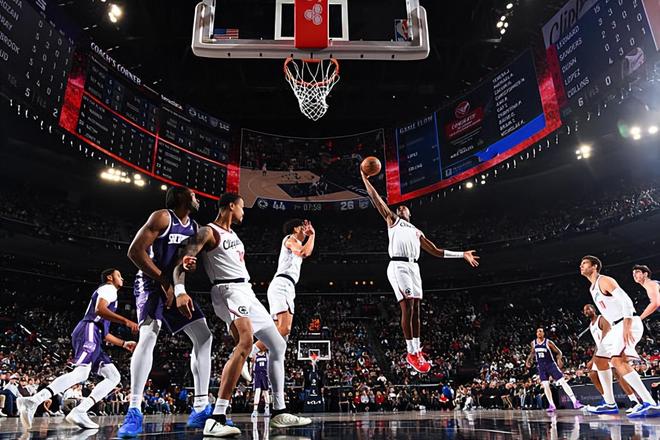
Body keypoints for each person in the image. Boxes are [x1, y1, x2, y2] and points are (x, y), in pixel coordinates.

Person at [172, 193, 311, 437]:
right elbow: (183, 257)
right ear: (231, 206)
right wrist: (180, 289)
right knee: (246, 342)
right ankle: (217, 417)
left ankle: (279, 412)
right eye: (242, 207)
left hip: (246, 290)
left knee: (278, 345)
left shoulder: (234, 235)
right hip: (227, 290)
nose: (244, 212)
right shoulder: (208, 231)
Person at [361, 170, 479, 373]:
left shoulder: (417, 232)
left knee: (416, 308)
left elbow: (436, 251)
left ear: (409, 214)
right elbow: (377, 200)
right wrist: (365, 179)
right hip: (398, 265)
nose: (401, 207)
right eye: (399, 207)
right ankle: (410, 352)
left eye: (404, 207)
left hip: (413, 267)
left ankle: (417, 350)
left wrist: (462, 254)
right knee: (407, 306)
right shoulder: (393, 220)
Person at [119, 187, 214, 438]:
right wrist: (164, 281)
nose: (198, 198)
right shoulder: (162, 217)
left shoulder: (195, 228)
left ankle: (200, 407)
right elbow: (135, 252)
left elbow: (183, 263)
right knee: (149, 335)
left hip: (173, 285)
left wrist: (187, 268)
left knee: (204, 336)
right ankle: (134, 410)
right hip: (150, 282)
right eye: (193, 195)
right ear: (182, 198)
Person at [17, 269, 137, 430]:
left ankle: (80, 411)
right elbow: (99, 309)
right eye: (118, 275)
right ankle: (33, 401)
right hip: (89, 330)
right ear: (110, 277)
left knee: (113, 376)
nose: (122, 278)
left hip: (95, 333)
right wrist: (126, 321)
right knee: (81, 373)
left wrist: (123, 343)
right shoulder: (108, 288)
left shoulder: (109, 294)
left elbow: (105, 334)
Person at [580, 255, 660, 417]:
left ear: (594, 266)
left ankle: (650, 403)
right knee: (599, 360)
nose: (581, 266)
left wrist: (627, 324)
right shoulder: (592, 288)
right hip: (616, 326)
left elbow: (626, 301)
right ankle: (610, 403)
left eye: (584, 263)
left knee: (618, 360)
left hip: (626, 321)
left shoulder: (604, 280)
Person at [249, 219, 315, 357]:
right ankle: (250, 352)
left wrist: (310, 236)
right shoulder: (290, 240)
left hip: (286, 286)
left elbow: (306, 251)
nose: (305, 230)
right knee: (285, 329)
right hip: (282, 285)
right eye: (303, 227)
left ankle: (259, 357)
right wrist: (312, 235)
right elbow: (305, 253)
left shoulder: (298, 244)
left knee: (280, 337)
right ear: (296, 229)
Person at [582, 304, 641, 413]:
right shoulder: (591, 325)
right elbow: (597, 343)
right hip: (602, 352)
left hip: (610, 349)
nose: (586, 311)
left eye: (588, 309)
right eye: (584, 310)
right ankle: (608, 400)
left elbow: (606, 337)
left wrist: (595, 357)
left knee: (619, 375)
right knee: (593, 374)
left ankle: (634, 401)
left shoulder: (602, 318)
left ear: (593, 309)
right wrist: (594, 356)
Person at [524, 328, 583, 412]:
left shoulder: (548, 342)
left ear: (543, 333)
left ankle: (575, 402)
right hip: (541, 367)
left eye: (540, 331)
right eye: (537, 331)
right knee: (545, 385)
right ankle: (551, 405)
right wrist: (528, 360)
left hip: (551, 365)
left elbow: (559, 352)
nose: (539, 333)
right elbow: (532, 352)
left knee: (562, 381)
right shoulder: (533, 343)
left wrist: (559, 359)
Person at [251, 350, 270, 418]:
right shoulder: (255, 355)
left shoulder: (266, 355)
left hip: (265, 375)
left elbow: (269, 366)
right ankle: (255, 410)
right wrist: (251, 376)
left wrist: (269, 376)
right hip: (257, 375)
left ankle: (267, 408)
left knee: (266, 392)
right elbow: (252, 367)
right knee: (257, 392)